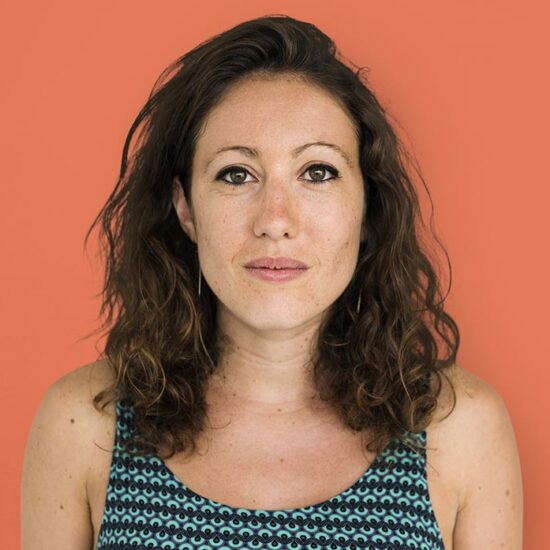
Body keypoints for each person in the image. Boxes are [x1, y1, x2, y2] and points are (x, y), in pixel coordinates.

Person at [21, 14, 523, 550]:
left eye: (318, 172)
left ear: (367, 207)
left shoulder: (458, 428)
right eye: (236, 174)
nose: (276, 220)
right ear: (186, 209)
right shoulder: (86, 424)